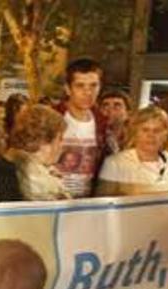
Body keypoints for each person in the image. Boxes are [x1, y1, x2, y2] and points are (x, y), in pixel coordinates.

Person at [96, 105, 168, 196]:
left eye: (157, 130)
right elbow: (104, 205)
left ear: (166, 134)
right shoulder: (115, 163)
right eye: (145, 130)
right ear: (135, 132)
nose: (151, 135)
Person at [54, 58, 108, 198]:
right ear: (68, 88)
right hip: (51, 198)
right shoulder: (53, 116)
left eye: (93, 86)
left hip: (85, 201)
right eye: (80, 86)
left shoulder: (102, 121)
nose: (87, 92)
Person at [4, 104, 70, 201]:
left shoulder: (8, 162)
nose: (62, 145)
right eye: (60, 139)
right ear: (44, 143)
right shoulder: (41, 183)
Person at [98, 89, 131, 156]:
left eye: (117, 106)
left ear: (128, 113)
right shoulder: (93, 137)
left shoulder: (136, 138)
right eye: (105, 106)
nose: (110, 110)